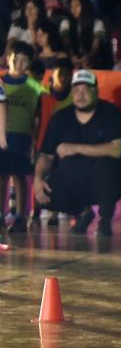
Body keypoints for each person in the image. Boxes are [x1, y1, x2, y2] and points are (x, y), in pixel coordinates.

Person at [34, 69, 121, 236]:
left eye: (86, 89)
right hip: (74, 176)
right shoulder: (60, 118)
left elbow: (116, 149)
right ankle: (83, 212)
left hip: (108, 177)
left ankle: (105, 219)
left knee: (107, 165)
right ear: (71, 92)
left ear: (97, 91)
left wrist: (74, 148)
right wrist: (37, 179)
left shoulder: (111, 113)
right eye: (77, 90)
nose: (81, 94)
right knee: (46, 195)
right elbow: (46, 155)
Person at [0, 41, 40, 232]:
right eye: (15, 58)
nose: (18, 63)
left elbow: (38, 116)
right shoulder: (1, 83)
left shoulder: (33, 87)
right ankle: (1, 215)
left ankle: (21, 217)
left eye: (24, 60)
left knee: (20, 177)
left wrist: (34, 141)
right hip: (2, 137)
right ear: (8, 59)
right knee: (1, 176)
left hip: (22, 138)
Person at [32, 57, 72, 227]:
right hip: (43, 143)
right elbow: (35, 119)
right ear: (52, 74)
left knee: (57, 178)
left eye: (66, 74)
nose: (62, 77)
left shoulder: (73, 96)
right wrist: (33, 142)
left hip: (63, 146)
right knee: (39, 176)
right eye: (59, 73)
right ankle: (35, 213)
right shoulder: (42, 94)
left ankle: (55, 213)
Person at [59, 0, 107, 69]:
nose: (73, 9)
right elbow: (66, 43)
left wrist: (87, 57)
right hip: (72, 58)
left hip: (90, 59)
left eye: (77, 6)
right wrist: (72, 56)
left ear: (84, 6)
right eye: (71, 7)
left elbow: (95, 47)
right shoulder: (66, 23)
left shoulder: (96, 23)